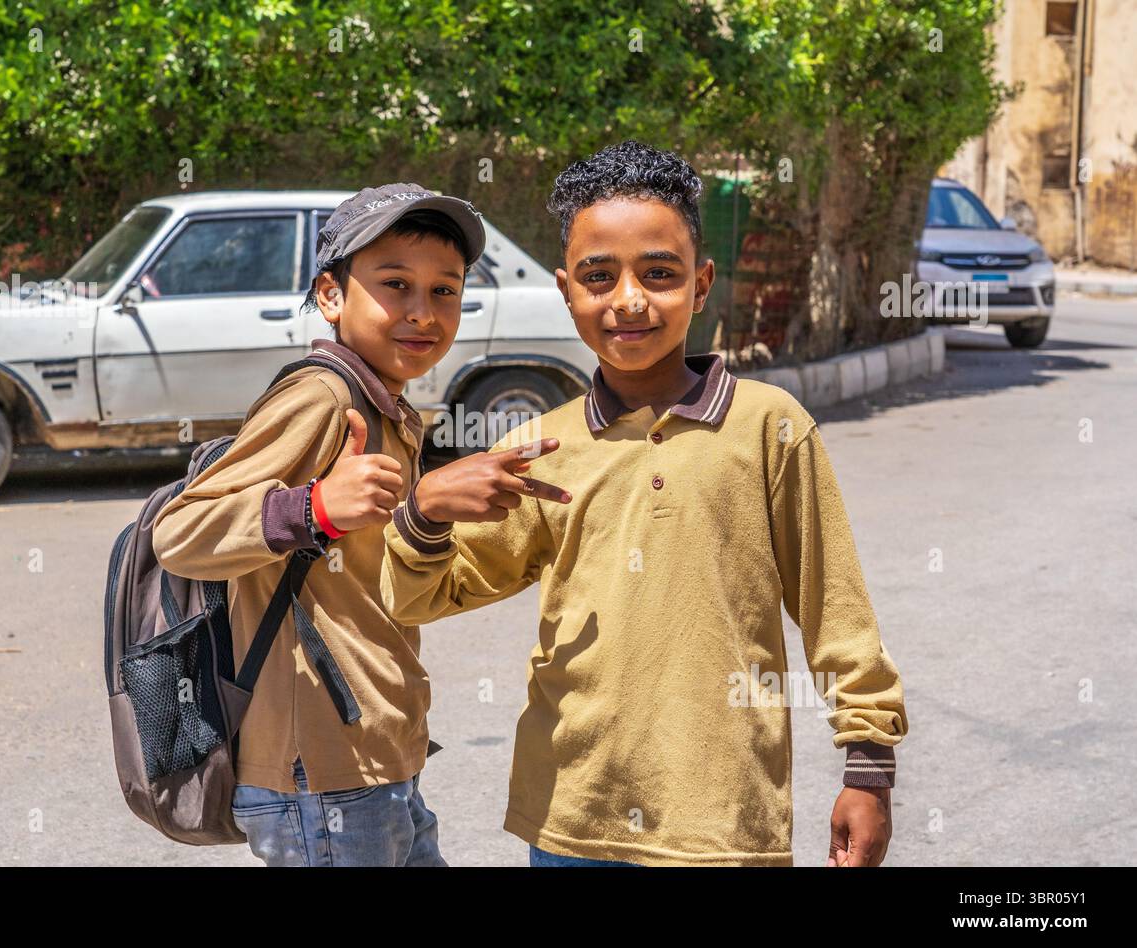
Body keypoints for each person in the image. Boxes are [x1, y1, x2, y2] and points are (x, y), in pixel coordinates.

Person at [381, 141, 908, 867]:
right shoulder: (540, 445)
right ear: (567, 291)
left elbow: (836, 611)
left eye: (658, 273)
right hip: (572, 819)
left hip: (725, 823)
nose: (629, 299)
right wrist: (425, 513)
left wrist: (869, 769)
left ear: (701, 284)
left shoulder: (768, 426)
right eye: (599, 277)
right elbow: (422, 597)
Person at [152, 183, 485, 866]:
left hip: (376, 752)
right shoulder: (323, 397)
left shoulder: (386, 403)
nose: (423, 313)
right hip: (322, 777)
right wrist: (311, 509)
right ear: (331, 296)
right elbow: (181, 531)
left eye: (444, 291)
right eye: (396, 284)